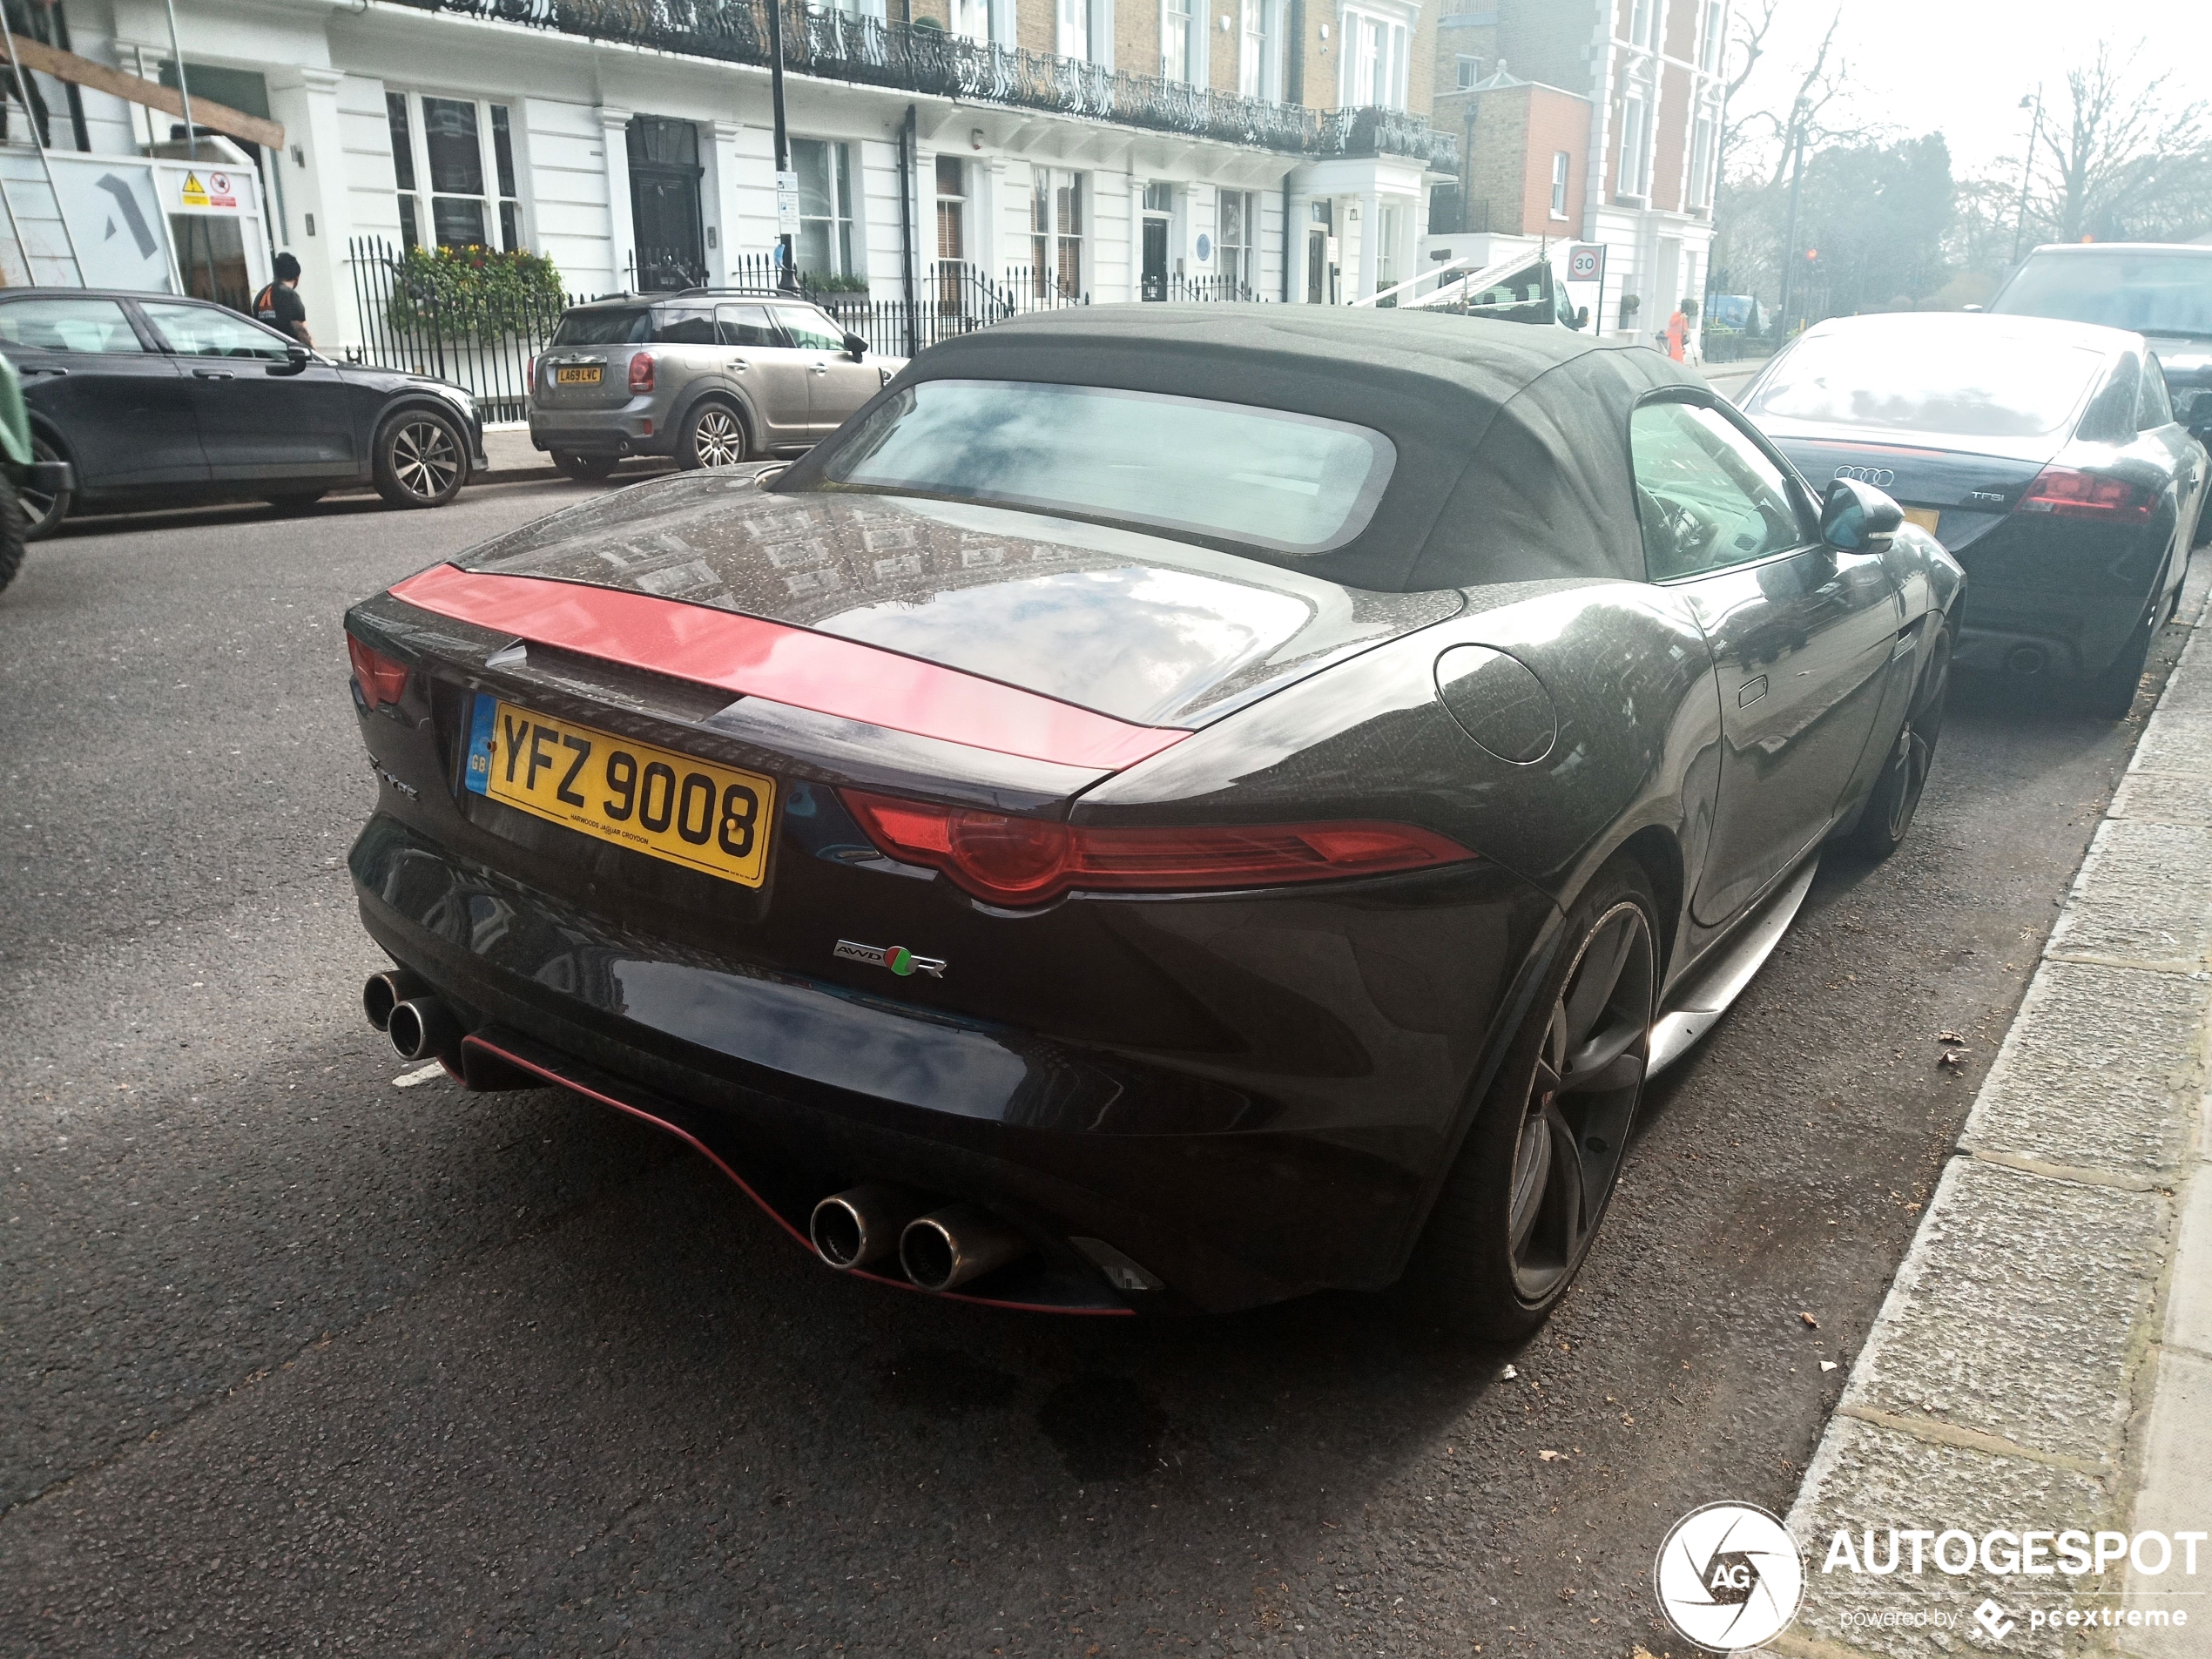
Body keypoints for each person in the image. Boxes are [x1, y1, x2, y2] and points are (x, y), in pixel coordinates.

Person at [253, 253, 313, 347]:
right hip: (288, 353)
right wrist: (316, 356)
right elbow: (302, 331)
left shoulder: (261, 295)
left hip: (267, 351)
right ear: (297, 278)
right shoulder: (290, 295)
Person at [1664, 296, 1693, 364]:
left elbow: (1684, 326)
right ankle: (1678, 364)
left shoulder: (1683, 316)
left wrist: (1687, 331)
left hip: (1679, 337)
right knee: (1677, 352)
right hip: (1673, 336)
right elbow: (1672, 322)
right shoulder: (1676, 314)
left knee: (1678, 352)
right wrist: (1680, 317)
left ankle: (1677, 363)